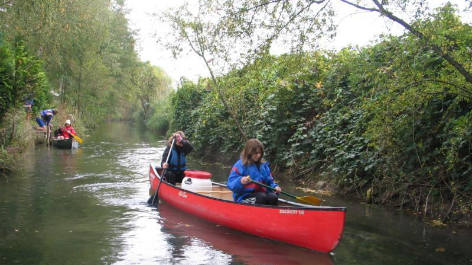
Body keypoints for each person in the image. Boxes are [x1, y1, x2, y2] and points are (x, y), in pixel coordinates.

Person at [227, 139, 282, 205]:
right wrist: (240, 181)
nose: (258, 155)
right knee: (261, 197)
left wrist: (275, 187)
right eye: (256, 153)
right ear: (249, 153)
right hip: (243, 197)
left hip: (261, 194)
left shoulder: (263, 165)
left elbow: (270, 182)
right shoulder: (240, 165)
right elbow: (230, 184)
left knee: (273, 197)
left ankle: (269, 214)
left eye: (260, 153)